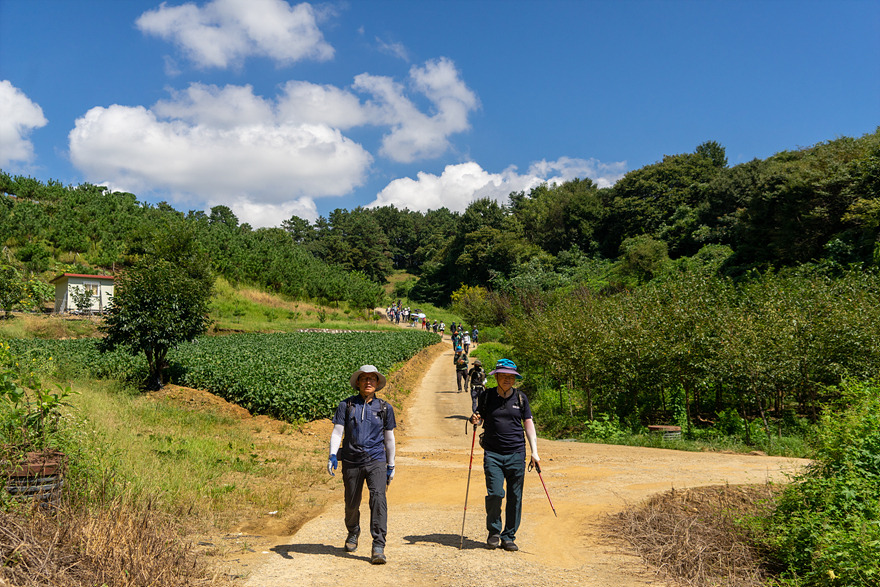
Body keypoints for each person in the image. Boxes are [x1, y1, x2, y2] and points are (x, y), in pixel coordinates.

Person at [328, 365, 397, 565]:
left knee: (378, 499)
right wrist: (332, 454)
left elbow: (389, 438)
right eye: (364, 378)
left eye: (372, 379)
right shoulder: (346, 405)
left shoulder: (385, 408)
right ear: (357, 383)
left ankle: (378, 545)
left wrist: (391, 465)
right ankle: (353, 531)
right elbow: (337, 432)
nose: (368, 382)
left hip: (376, 460)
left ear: (377, 383)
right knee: (351, 503)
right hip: (351, 460)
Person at [470, 359, 539, 552]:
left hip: (516, 453)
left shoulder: (521, 398)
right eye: (504, 376)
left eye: (511, 377)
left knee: (515, 496)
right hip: (492, 453)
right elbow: (479, 417)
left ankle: (508, 536)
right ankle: (494, 532)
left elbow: (528, 424)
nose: (508, 379)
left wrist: (535, 452)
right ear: (497, 377)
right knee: (495, 493)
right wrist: (475, 419)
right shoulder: (487, 396)